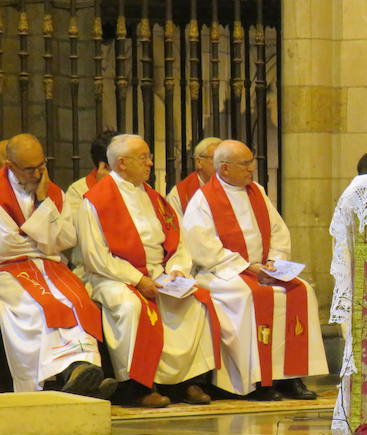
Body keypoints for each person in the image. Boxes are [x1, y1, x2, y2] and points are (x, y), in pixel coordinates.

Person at [77, 134, 221, 408]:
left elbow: (178, 241)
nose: (150, 163)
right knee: (131, 306)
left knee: (193, 301)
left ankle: (184, 381)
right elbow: (96, 258)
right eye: (143, 157)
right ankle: (136, 386)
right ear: (121, 163)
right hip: (114, 277)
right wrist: (138, 279)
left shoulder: (152, 196)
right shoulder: (95, 202)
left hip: (157, 272)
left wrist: (178, 270)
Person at [181, 139, 327, 401]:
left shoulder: (256, 192)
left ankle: (291, 376)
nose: (252, 169)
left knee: (301, 291)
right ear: (224, 169)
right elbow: (202, 247)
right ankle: (259, 380)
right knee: (250, 296)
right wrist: (247, 267)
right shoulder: (203, 200)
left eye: (252, 161)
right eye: (245, 164)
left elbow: (279, 232)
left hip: (262, 270)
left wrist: (274, 262)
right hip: (221, 272)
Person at [0, 133, 114, 397]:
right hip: (9, 269)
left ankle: (82, 369)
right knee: (36, 307)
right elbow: (7, 245)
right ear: (10, 165)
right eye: (29, 169)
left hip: (50, 266)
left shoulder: (52, 192)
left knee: (77, 301)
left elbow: (66, 238)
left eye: (41, 165)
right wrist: (42, 239)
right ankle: (62, 378)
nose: (37, 173)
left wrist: (42, 203)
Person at [61, 129, 118, 282]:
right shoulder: (77, 190)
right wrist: (101, 192)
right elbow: (77, 236)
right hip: (93, 271)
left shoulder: (135, 186)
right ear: (105, 165)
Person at [166, 136, 222, 218]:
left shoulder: (235, 187)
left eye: (225, 159)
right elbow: (177, 227)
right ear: (199, 162)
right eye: (215, 159)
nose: (222, 165)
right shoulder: (179, 194)